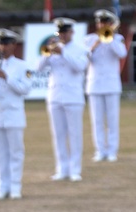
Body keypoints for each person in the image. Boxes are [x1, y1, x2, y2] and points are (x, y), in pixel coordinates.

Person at [0, 28, 32, 200]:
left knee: (16, 152)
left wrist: (7, 78)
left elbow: (25, 89)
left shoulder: (22, 66)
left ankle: (16, 186)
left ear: (13, 45)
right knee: (0, 153)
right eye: (0, 44)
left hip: (14, 115)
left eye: (6, 43)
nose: (3, 47)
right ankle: (2, 187)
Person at [38, 18, 89, 182]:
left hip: (73, 97)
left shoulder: (80, 48)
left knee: (74, 134)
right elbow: (38, 68)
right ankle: (62, 169)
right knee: (58, 135)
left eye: (65, 32)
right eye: (60, 32)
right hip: (55, 96)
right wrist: (47, 53)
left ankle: (75, 169)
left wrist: (63, 53)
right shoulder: (52, 49)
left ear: (71, 32)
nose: (63, 35)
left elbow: (80, 67)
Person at [84, 9, 128, 163]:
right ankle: (100, 150)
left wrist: (110, 39)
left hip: (111, 85)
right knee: (97, 120)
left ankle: (112, 151)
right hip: (95, 84)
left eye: (105, 22)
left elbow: (122, 54)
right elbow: (85, 58)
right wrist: (95, 45)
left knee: (112, 120)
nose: (101, 25)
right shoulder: (89, 39)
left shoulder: (118, 39)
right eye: (100, 22)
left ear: (110, 24)